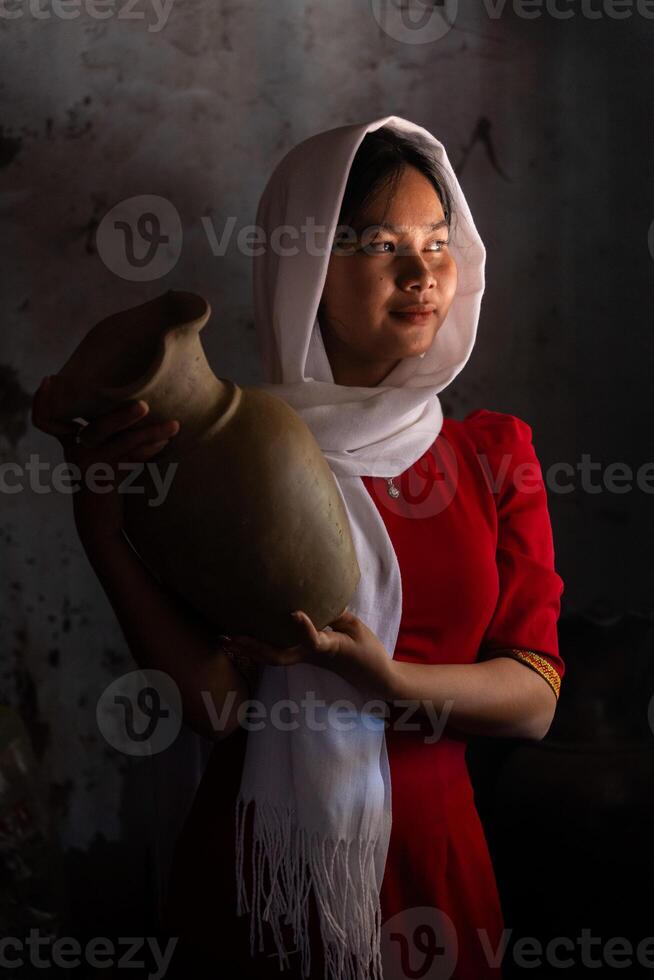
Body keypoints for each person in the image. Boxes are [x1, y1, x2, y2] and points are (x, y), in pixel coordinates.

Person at [32, 116, 565, 980]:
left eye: (439, 243)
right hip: (260, 876)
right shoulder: (233, 458)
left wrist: (385, 682)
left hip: (432, 869)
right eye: (381, 245)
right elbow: (216, 708)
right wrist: (101, 521)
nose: (421, 271)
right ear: (306, 266)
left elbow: (534, 698)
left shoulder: (493, 455)